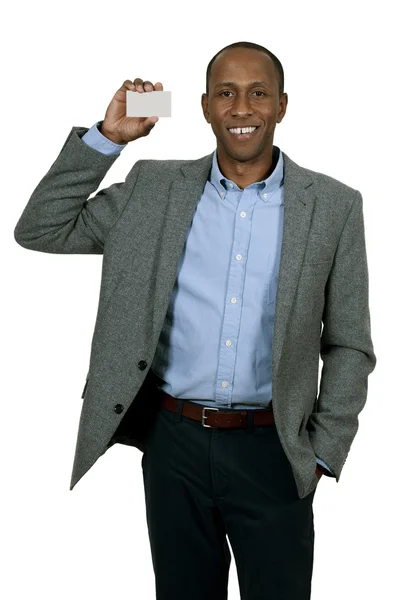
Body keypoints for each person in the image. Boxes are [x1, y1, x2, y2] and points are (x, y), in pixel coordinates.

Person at [14, 41, 376, 600]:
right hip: (173, 444)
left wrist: (325, 449)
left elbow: (350, 341)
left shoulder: (333, 205)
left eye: (259, 93)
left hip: (274, 450)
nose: (242, 109)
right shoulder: (153, 189)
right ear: (205, 106)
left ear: (282, 106)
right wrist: (108, 139)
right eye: (226, 94)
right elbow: (40, 228)